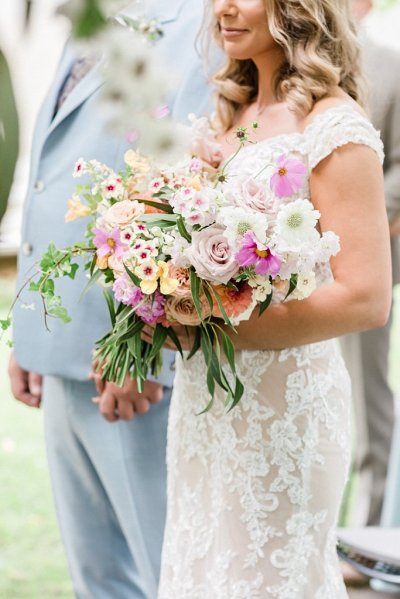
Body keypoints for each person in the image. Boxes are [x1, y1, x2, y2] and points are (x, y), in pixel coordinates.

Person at [154, 0, 392, 596]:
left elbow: (366, 298)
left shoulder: (335, 127)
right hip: (206, 403)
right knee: (202, 566)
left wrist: (217, 326)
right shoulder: (226, 121)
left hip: (286, 410)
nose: (223, 7)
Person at [8, 1, 212, 598]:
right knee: (94, 577)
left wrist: (140, 348)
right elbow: (52, 175)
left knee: (161, 570)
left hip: (125, 363)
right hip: (60, 346)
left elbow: (186, 197)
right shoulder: (90, 18)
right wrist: (31, 326)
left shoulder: (198, 27)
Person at [340, 0, 400, 528]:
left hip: (365, 261)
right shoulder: (287, 65)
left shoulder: (390, 63)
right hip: (289, 261)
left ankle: (370, 523)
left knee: (366, 390)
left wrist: (368, 223)